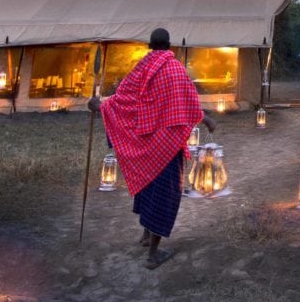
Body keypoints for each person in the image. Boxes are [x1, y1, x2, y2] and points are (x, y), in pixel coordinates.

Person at [89, 27, 214, 268]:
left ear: (149, 45)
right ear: (169, 45)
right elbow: (188, 101)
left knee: (147, 189)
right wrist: (206, 119)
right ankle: (153, 254)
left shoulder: (140, 69)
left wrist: (100, 105)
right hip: (166, 147)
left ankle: (146, 236)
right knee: (165, 196)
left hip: (145, 147)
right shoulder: (175, 69)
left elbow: (122, 99)